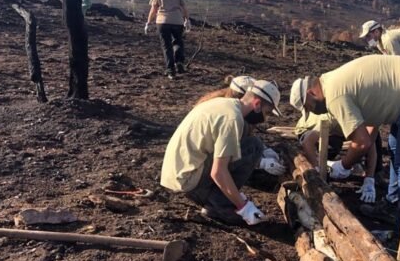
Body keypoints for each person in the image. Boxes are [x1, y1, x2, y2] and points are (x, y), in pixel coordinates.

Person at [289, 55, 400, 235]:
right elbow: (370, 131)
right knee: (397, 150)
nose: (311, 111)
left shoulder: (335, 95)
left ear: (311, 93)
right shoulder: (332, 82)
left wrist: (344, 165)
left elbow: (362, 142)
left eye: (308, 107)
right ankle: (394, 205)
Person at [160, 79, 283, 225]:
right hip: (189, 182)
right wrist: (244, 207)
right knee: (253, 146)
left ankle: (220, 197)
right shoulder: (232, 118)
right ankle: (219, 205)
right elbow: (218, 172)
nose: (265, 118)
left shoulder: (223, 104)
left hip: (176, 174)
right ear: (257, 105)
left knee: (252, 144)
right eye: (266, 112)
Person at [194, 75, 287, 177]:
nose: (265, 118)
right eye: (267, 113)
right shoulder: (230, 117)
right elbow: (223, 156)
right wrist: (260, 162)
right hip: (198, 168)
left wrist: (264, 150)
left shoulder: (221, 105)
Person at [293, 109, 383, 202]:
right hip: (308, 128)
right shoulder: (332, 119)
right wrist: (317, 170)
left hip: (339, 129)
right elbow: (307, 142)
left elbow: (370, 145)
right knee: (331, 146)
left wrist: (369, 179)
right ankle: (325, 169)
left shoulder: (362, 120)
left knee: (371, 139)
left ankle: (374, 171)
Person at [145, 0, 191, 80]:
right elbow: (184, 8)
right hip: (177, 21)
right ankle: (179, 62)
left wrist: (148, 22)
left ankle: (171, 70)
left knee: (167, 47)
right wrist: (187, 19)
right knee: (178, 42)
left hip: (162, 22)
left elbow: (153, 9)